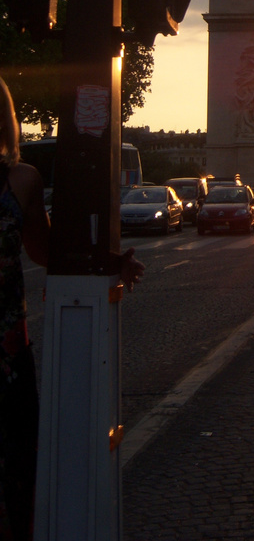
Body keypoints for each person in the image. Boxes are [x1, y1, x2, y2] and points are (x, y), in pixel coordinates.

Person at [0, 77, 143, 541]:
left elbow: (50, 252)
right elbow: (49, 253)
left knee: (17, 474)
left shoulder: (22, 180)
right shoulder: (17, 182)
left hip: (7, 353)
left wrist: (110, 259)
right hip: (6, 351)